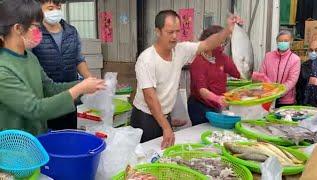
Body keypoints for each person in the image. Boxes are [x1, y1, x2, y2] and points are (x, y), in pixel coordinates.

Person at [131, 9, 243, 149]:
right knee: (145, 157)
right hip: (145, 118)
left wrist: (228, 30)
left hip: (164, 116)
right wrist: (166, 127)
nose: (174, 36)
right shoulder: (146, 60)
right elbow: (150, 98)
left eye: (177, 31)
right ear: (158, 31)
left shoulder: (180, 50)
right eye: (170, 32)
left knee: (163, 155)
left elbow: (207, 44)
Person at [0, 0, 105, 135]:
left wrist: (85, 85)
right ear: (18, 28)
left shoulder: (30, 58)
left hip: (38, 136)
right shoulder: (3, 68)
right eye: (36, 26)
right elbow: (35, 109)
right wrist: (78, 89)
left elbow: (51, 88)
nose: (39, 32)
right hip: (15, 144)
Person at [32, 0, 92, 130]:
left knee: (70, 132)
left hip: (72, 94)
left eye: (58, 7)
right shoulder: (34, 34)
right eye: (50, 8)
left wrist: (89, 79)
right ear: (39, 9)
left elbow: (78, 59)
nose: (55, 11)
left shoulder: (71, 31)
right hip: (47, 97)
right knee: (50, 135)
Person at [188, 25, 240, 126]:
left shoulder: (222, 58)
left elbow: (239, 73)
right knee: (201, 131)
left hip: (216, 105)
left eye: (225, 42)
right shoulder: (198, 61)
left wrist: (258, 76)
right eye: (221, 42)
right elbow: (202, 90)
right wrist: (218, 99)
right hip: (199, 105)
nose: (223, 45)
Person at [252, 30, 301, 108]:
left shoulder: (295, 59)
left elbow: (292, 80)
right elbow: (262, 75)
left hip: (286, 100)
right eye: (280, 41)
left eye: (286, 41)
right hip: (268, 97)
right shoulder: (268, 56)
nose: (283, 43)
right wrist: (269, 91)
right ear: (276, 42)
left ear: (291, 41)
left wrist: (278, 91)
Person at [296, 40, 317, 106]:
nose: (313, 52)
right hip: (306, 104)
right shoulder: (304, 65)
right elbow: (299, 87)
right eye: (311, 50)